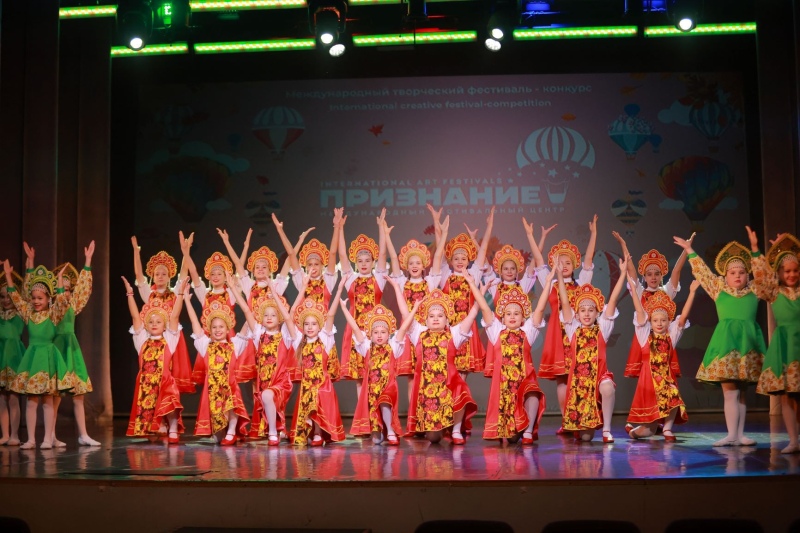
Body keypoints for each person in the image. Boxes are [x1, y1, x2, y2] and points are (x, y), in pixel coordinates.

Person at [675, 235, 766, 446]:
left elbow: (763, 275)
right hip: (726, 344)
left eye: (741, 272)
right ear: (725, 275)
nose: (737, 276)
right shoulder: (719, 289)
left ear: (748, 274)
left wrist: (755, 250)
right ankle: (731, 434)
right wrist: (689, 250)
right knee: (730, 391)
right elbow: (703, 273)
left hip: (748, 345)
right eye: (732, 273)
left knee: (742, 391)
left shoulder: (755, 290)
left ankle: (740, 434)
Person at [467, 268, 553, 444]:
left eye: (516, 313)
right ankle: (512, 427)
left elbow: (540, 309)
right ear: (502, 317)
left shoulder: (528, 331)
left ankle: (528, 431)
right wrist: (471, 284)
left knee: (533, 392)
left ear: (523, 318)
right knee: (511, 439)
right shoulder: (496, 331)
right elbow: (484, 307)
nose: (512, 317)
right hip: (505, 388)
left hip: (525, 381)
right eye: (508, 314)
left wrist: (548, 283)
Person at [536, 216, 598, 434]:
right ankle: (566, 421)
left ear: (574, 266)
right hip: (557, 335)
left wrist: (593, 234)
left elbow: (589, 259)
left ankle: (581, 416)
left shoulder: (582, 284)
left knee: (579, 377)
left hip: (579, 336)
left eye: (568, 263)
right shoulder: (550, 282)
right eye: (560, 263)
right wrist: (538, 236)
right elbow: (538, 261)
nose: (563, 267)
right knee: (562, 380)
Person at [556, 255, 628, 443]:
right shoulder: (572, 329)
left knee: (608, 387)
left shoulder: (603, 328)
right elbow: (565, 302)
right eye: (583, 310)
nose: (587, 314)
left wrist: (622, 274)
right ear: (577, 314)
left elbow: (613, 300)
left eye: (591, 310)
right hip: (580, 385)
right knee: (586, 438)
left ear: (597, 313)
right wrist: (559, 275)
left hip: (599, 378)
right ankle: (584, 426)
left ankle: (607, 430)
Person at [382, 207, 448, 406]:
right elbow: (393, 258)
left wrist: (442, 231)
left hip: (426, 333)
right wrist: (386, 236)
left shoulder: (430, 282)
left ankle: (429, 408)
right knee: (412, 377)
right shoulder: (402, 282)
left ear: (424, 264)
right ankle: (414, 415)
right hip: (409, 332)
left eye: (418, 262)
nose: (414, 266)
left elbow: (438, 256)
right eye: (411, 263)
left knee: (429, 373)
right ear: (406, 266)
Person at [626, 278, 700, 442]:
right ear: (650, 322)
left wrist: (692, 292)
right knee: (648, 431)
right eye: (655, 320)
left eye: (663, 320)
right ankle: (633, 431)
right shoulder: (644, 335)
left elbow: (683, 318)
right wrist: (634, 292)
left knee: (674, 396)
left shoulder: (671, 336)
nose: (659, 324)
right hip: (649, 382)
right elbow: (639, 311)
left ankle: (667, 429)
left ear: (668, 322)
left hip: (666, 379)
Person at [406, 286, 479, 445]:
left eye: (440, 316)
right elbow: (405, 314)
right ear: (426, 320)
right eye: (431, 316)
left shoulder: (454, 333)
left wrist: (480, 292)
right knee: (433, 439)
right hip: (428, 391)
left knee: (461, 389)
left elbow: (472, 315)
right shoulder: (418, 333)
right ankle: (442, 425)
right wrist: (398, 289)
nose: (436, 319)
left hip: (449, 385)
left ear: (447, 319)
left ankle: (455, 430)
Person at [184, 272, 252, 445]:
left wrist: (236, 290)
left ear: (228, 328)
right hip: (213, 390)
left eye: (221, 327)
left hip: (229, 386)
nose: (218, 330)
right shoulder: (205, 345)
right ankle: (222, 430)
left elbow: (248, 319)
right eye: (214, 327)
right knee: (217, 437)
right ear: (210, 329)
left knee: (233, 400)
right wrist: (186, 300)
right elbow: (195, 323)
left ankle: (232, 430)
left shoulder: (235, 344)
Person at [342, 297, 420, 446]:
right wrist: (345, 309)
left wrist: (415, 308)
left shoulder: (394, 346)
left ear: (388, 333)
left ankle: (390, 430)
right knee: (376, 440)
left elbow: (404, 328)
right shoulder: (366, 347)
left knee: (385, 402)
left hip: (388, 387)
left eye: (383, 332)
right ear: (370, 334)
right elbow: (355, 328)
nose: (379, 335)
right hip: (372, 391)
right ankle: (381, 431)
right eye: (376, 332)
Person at [612, 231, 690, 378]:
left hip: (662, 338)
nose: (653, 277)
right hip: (645, 337)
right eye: (649, 274)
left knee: (663, 375)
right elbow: (631, 268)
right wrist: (623, 244)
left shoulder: (667, 291)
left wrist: (686, 250)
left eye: (656, 274)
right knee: (646, 376)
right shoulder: (640, 291)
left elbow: (676, 271)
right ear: (644, 277)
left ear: (661, 275)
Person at [750, 230, 800, 453]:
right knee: (787, 395)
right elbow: (762, 277)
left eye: (795, 270)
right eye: (787, 271)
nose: (792, 274)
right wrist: (756, 250)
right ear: (779, 273)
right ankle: (793, 440)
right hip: (785, 345)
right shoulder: (775, 292)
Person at [122, 276, 188, 444]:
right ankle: (158, 426)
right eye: (150, 321)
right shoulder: (142, 340)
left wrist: (180, 294)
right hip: (146, 383)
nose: (154, 324)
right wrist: (130, 294)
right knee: (152, 437)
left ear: (164, 325)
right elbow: (135, 317)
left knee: (170, 399)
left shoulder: (169, 339)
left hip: (164, 380)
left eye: (158, 321)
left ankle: (173, 427)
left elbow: (174, 317)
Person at [285, 278, 347, 446]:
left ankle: (318, 433)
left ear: (320, 326)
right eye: (306, 324)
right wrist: (303, 288)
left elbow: (331, 314)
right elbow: (289, 316)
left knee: (317, 396)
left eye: (313, 324)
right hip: (307, 386)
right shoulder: (299, 341)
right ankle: (311, 432)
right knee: (309, 397)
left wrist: (339, 288)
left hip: (322, 385)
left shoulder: (325, 339)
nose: (310, 327)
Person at [50, 240, 101, 447]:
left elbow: (83, 290)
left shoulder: (72, 304)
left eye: (68, 289)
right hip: (57, 349)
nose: (66, 292)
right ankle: (50, 435)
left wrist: (87, 262)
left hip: (71, 348)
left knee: (78, 394)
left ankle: (83, 435)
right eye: (61, 288)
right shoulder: (51, 309)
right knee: (55, 396)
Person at [131, 235, 194, 393]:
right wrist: (136, 252)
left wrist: (186, 251)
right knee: (153, 372)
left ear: (169, 277)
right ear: (152, 277)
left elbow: (184, 272)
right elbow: (139, 276)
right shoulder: (149, 294)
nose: (160, 276)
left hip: (171, 336)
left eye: (164, 274)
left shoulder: (174, 292)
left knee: (172, 374)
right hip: (153, 338)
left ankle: (170, 405)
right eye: (157, 274)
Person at [338, 210, 387, 397]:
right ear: (356, 263)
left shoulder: (378, 279)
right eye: (360, 261)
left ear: (373, 262)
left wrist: (381, 228)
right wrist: (339, 228)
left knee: (376, 372)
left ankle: (377, 410)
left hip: (376, 331)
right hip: (355, 330)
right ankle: (362, 412)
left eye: (368, 260)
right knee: (359, 377)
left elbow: (383, 253)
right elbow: (342, 255)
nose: (364, 264)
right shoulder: (351, 279)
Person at [248, 276, 296, 446]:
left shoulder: (285, 336)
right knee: (268, 398)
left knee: (268, 395)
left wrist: (274, 293)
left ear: (279, 317)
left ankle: (273, 434)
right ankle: (278, 430)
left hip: (281, 381)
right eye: (266, 315)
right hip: (264, 382)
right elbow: (247, 311)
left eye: (273, 315)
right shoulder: (258, 335)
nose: (269, 318)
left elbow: (288, 318)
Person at [0, 270, 24, 446]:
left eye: (9, 296)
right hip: (1, 357)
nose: (6, 300)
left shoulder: (20, 313)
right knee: (1, 398)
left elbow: (24, 294)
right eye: (2, 297)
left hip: (15, 357)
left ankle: (15, 435)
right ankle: (5, 434)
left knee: (14, 398)